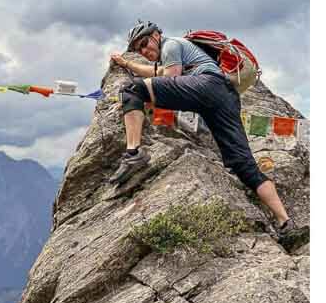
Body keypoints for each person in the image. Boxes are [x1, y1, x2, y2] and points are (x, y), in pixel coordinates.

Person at [109, 20, 309, 251]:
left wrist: (144, 89)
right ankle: (286, 223)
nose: (144, 51)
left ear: (156, 35)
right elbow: (158, 72)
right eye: (138, 49)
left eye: (145, 43)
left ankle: (133, 153)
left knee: (132, 91)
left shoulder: (171, 44)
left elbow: (169, 77)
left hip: (205, 85)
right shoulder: (174, 53)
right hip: (225, 96)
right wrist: (126, 63)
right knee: (243, 165)